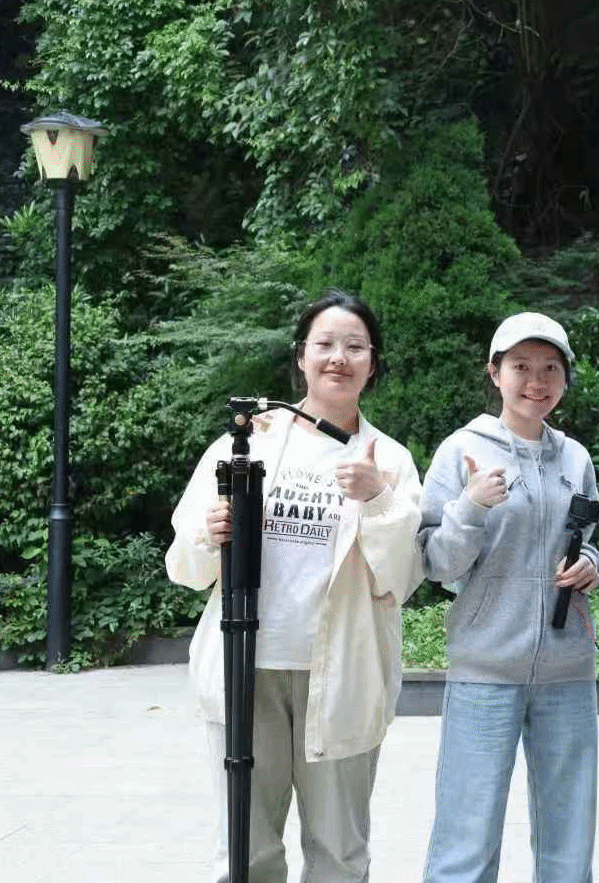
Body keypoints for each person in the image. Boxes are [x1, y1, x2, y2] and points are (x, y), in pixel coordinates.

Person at [166, 290, 424, 883]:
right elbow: (185, 566)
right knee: (246, 849)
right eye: (324, 344)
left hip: (342, 673)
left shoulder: (389, 459)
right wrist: (210, 534)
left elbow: (402, 578)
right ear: (301, 356)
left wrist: (378, 499)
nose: (339, 358)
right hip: (247, 665)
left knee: (339, 851)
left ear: (373, 363)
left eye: (355, 347)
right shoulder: (246, 442)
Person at [418, 311, 599, 883]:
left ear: (565, 379)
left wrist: (592, 564)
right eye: (521, 366)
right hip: (485, 666)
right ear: (494, 372)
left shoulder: (575, 457)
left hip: (567, 668)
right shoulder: (461, 450)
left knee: (569, 837)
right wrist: (471, 506)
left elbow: (585, 542)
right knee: (467, 836)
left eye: (550, 368)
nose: (536, 381)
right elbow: (436, 563)